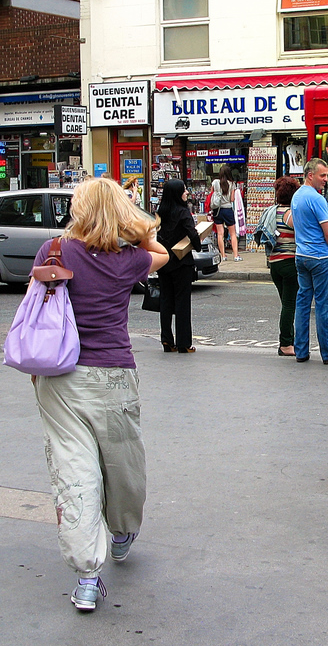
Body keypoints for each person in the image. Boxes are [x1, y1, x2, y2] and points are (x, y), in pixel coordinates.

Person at [30, 177, 169, 612]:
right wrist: (139, 224)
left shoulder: (55, 250)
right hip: (113, 375)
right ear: (121, 212)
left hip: (59, 376)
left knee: (74, 471)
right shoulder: (128, 260)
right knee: (124, 463)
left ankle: (88, 576)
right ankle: (124, 532)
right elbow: (162, 252)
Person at [291, 157, 328, 364]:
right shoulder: (317, 199)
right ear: (310, 175)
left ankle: (301, 351)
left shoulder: (296, 196)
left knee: (303, 303)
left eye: (327, 175)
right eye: (322, 175)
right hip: (320, 257)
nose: (326, 179)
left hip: (301, 256)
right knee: (323, 306)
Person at [156, 178, 201, 354]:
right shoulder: (183, 212)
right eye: (184, 190)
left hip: (164, 261)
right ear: (177, 193)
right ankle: (184, 343)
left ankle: (167, 340)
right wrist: (197, 245)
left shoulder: (160, 213)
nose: (187, 193)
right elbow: (192, 233)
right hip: (182, 262)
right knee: (182, 303)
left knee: (166, 301)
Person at [269, 175, 300, 357]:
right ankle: (286, 344)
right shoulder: (291, 214)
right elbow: (301, 234)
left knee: (286, 304)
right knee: (289, 305)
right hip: (289, 262)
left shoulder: (272, 211)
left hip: (274, 263)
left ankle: (290, 340)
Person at [210, 163, 241, 261]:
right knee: (232, 233)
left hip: (217, 210)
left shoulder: (215, 182)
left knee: (220, 233)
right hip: (228, 210)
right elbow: (232, 199)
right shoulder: (232, 184)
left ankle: (223, 255)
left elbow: (211, 193)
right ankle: (236, 255)